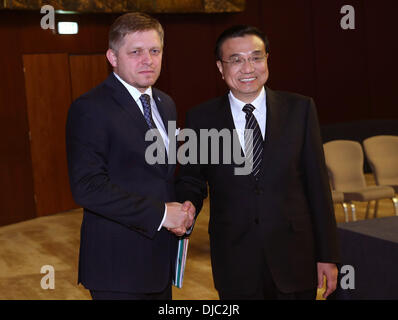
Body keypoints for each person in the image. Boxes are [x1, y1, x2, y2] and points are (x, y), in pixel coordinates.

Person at [176, 25, 340, 300]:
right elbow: (191, 179)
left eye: (256, 57)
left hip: (295, 258)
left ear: (267, 60)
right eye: (236, 60)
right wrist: (186, 205)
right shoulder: (201, 119)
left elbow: (318, 187)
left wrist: (328, 254)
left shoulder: (300, 110)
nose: (248, 67)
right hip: (235, 261)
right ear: (220, 67)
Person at [66, 12, 194, 300]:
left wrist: (183, 206)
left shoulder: (165, 103)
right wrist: (162, 214)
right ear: (112, 57)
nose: (147, 59)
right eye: (135, 52)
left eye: (154, 51)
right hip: (117, 268)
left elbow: (161, 175)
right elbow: (88, 187)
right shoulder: (90, 108)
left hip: (159, 261)